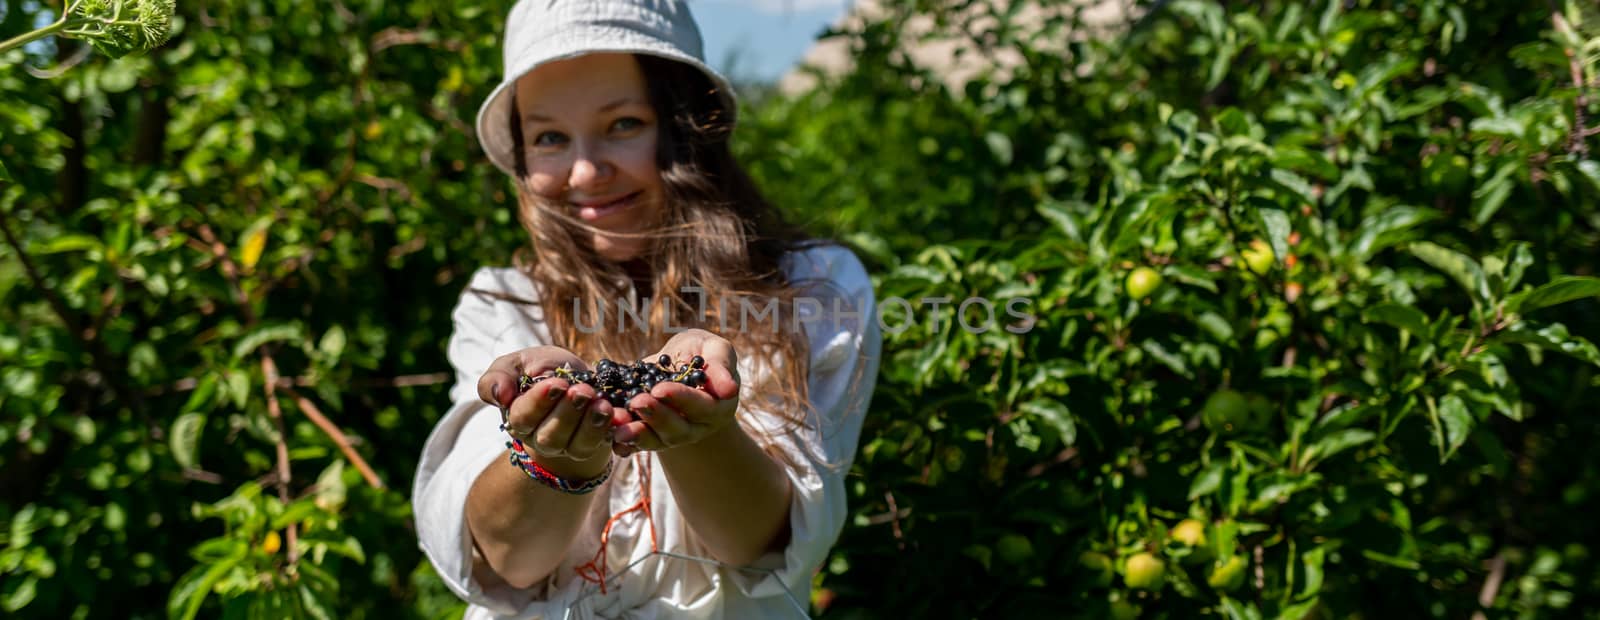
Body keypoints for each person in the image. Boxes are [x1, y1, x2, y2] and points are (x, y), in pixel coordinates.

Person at [410, 1, 882, 618]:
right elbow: (508, 562)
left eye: (624, 123)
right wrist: (554, 454)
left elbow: (760, 547)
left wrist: (700, 436)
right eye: (550, 137)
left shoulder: (813, 291)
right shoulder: (505, 304)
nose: (586, 171)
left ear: (687, 126)